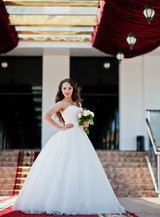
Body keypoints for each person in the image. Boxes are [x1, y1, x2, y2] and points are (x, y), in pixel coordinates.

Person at [12, 78, 125, 215]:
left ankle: (80, 200)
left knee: (81, 168)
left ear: (73, 89)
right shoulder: (62, 103)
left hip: (81, 137)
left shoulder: (76, 103)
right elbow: (46, 116)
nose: (67, 91)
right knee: (65, 166)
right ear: (61, 90)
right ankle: (60, 201)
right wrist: (60, 127)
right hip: (67, 136)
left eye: (69, 88)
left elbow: (80, 120)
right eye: (64, 88)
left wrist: (85, 123)